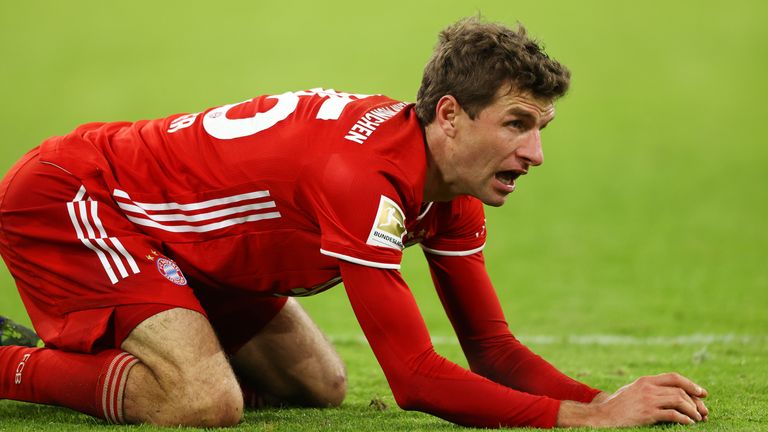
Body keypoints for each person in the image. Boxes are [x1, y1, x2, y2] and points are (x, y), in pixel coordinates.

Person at [0, 17, 708, 428]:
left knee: (323, 386)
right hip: (80, 198)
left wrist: (605, 400)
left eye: (542, 127)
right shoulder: (362, 177)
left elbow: (490, 348)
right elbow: (416, 378)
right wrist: (582, 422)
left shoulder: (450, 185)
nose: (536, 153)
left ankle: (133, 339)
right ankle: (14, 365)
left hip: (187, 242)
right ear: (451, 117)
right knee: (201, 402)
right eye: (517, 124)